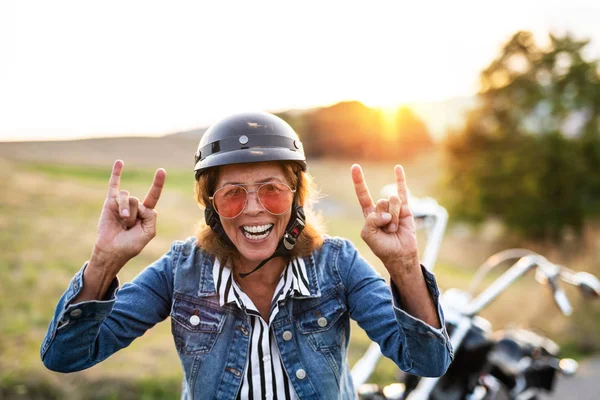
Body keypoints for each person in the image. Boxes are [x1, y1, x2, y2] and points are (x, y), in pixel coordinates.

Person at [41, 112, 453, 399]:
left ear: (296, 198)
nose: (255, 208)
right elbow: (67, 355)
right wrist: (104, 261)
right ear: (212, 207)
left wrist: (402, 266)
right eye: (233, 194)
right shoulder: (181, 270)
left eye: (271, 189)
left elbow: (428, 360)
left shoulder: (337, 264)